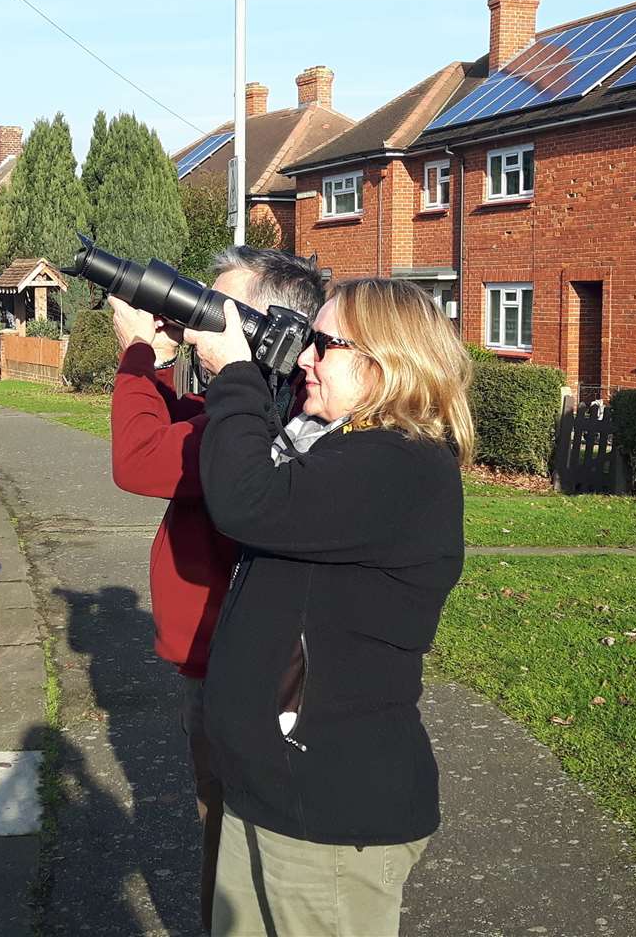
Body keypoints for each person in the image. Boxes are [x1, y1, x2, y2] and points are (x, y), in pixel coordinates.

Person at [182, 278, 476, 937]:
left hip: (329, 812)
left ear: (384, 363)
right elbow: (252, 477)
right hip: (270, 790)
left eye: (323, 344)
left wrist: (234, 373)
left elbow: (245, 500)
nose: (305, 359)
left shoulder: (403, 467)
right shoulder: (334, 447)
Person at [106, 246, 326, 934]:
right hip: (227, 652)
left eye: (218, 311)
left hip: (234, 662)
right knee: (231, 829)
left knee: (227, 833)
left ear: (268, 329)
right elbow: (187, 425)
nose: (203, 325)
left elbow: (140, 459)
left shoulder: (260, 423)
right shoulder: (263, 406)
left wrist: (137, 355)